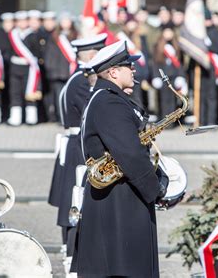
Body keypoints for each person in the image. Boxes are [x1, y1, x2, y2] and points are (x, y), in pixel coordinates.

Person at [71, 40, 167, 277]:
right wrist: (157, 190)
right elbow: (131, 154)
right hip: (119, 202)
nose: (134, 70)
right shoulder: (109, 101)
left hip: (118, 198)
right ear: (113, 72)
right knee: (125, 268)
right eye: (129, 67)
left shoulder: (107, 96)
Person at [54, 33, 107, 275]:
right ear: (94, 55)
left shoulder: (77, 78)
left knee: (73, 199)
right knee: (75, 202)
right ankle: (71, 258)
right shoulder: (82, 82)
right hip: (78, 146)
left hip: (74, 142)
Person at [7, 10, 42, 126]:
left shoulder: (33, 35)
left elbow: (38, 52)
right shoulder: (13, 34)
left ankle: (31, 118)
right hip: (15, 67)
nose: (22, 23)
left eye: (24, 20)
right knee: (15, 92)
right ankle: (15, 118)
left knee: (30, 93)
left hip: (29, 68)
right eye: (19, 21)